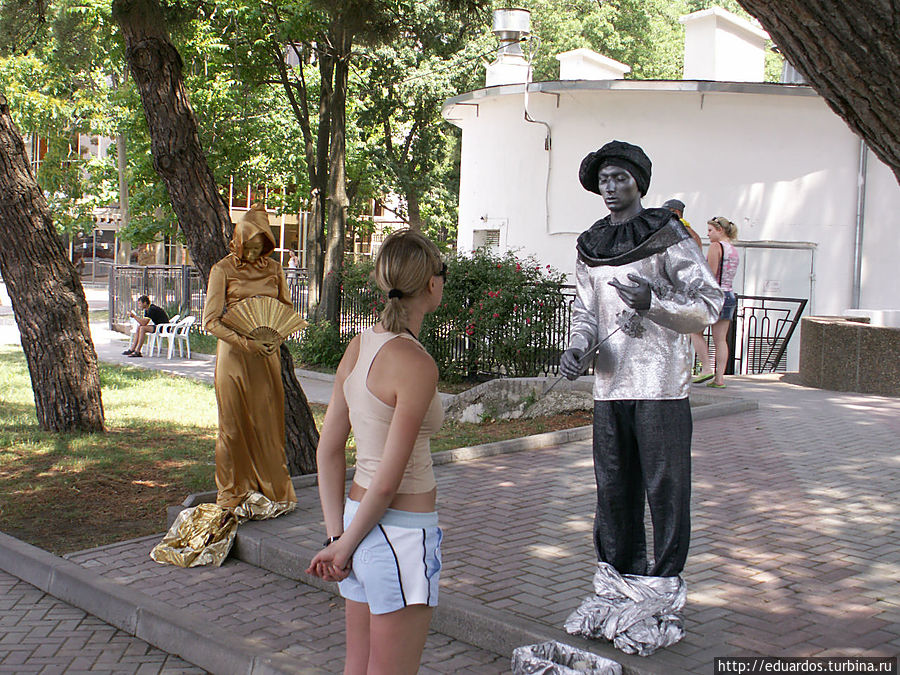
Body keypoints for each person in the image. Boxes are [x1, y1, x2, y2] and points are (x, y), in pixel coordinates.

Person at [560, 141, 723, 581]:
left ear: (638, 182)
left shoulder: (665, 234)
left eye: (619, 178)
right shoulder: (590, 244)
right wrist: (578, 346)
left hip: (662, 390)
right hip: (610, 389)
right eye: (603, 180)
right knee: (613, 491)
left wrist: (654, 303)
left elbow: (710, 302)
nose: (610, 187)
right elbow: (586, 312)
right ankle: (617, 580)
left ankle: (664, 585)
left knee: (665, 491)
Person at [306, 229, 446, 675]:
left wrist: (337, 537)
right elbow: (388, 480)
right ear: (430, 284)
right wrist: (342, 547)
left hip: (354, 523)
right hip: (399, 535)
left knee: (358, 667)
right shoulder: (416, 363)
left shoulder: (359, 345)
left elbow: (327, 452)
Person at [202, 204, 297, 512]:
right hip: (233, 356)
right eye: (250, 248)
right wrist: (244, 343)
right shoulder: (222, 270)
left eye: (261, 248)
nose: (256, 254)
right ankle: (233, 491)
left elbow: (286, 311)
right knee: (232, 425)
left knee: (269, 424)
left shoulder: (274, 269)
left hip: (266, 356)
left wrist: (277, 338)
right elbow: (210, 321)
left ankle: (274, 491)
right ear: (239, 242)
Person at [694, 216, 740, 388]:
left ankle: (706, 368)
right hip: (729, 294)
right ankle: (719, 379)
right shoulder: (733, 249)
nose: (708, 234)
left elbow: (711, 273)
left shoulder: (716, 246)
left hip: (714, 295)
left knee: (694, 331)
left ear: (720, 230)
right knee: (720, 339)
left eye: (710, 230)